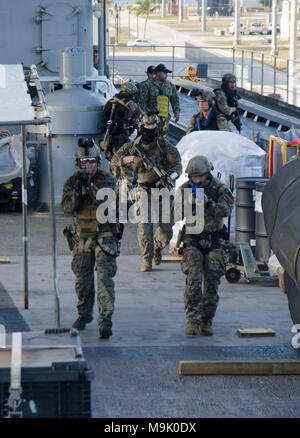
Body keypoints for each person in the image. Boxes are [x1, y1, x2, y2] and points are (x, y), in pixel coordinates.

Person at [61, 138, 120, 339]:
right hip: (83, 238)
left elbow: (108, 205)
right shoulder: (72, 181)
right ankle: (84, 315)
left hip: (104, 236)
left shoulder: (107, 180)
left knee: (104, 279)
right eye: (85, 163)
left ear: (97, 162)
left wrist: (92, 189)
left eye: (92, 162)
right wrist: (78, 191)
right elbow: (67, 207)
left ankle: (105, 320)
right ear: (79, 163)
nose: (89, 166)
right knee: (82, 281)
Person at [111, 112, 182, 272]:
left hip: (162, 189)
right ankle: (147, 258)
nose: (150, 128)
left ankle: (157, 248)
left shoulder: (164, 145)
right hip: (143, 189)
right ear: (141, 127)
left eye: (153, 125)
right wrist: (131, 160)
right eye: (147, 125)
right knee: (145, 226)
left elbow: (177, 164)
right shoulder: (132, 146)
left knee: (166, 229)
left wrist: (170, 178)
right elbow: (114, 160)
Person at [176, 156, 234, 336]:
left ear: (207, 174)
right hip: (192, 238)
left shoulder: (219, 188)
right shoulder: (186, 189)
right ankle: (192, 319)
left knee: (212, 282)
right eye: (193, 177)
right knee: (193, 279)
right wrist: (187, 203)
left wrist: (209, 204)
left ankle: (207, 319)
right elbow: (174, 214)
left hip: (214, 239)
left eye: (200, 177)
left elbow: (227, 210)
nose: (197, 180)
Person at [100, 81, 142, 162]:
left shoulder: (110, 101)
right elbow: (141, 115)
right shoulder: (130, 103)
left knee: (112, 159)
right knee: (123, 160)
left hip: (109, 137)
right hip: (122, 137)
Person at [136, 64, 180, 136]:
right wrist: (146, 116)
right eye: (164, 73)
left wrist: (176, 112)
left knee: (162, 140)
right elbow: (142, 103)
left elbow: (175, 99)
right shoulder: (147, 85)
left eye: (167, 73)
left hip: (164, 119)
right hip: (150, 120)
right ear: (158, 73)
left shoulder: (170, 86)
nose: (166, 75)